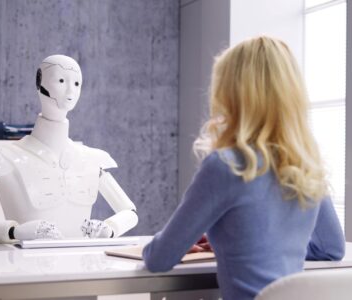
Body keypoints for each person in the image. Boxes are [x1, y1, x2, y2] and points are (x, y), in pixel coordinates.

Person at [142, 36, 345, 300]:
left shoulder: (226, 165)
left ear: (232, 94)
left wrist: (239, 244)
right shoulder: (306, 162)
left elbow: (159, 258)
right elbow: (331, 247)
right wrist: (249, 242)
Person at [0, 55, 138, 242]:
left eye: (76, 83)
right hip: (24, 267)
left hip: (84, 267)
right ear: (39, 82)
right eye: (61, 80)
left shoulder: (92, 159)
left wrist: (110, 228)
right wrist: (14, 231)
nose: (70, 90)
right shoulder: (2, 158)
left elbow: (130, 212)